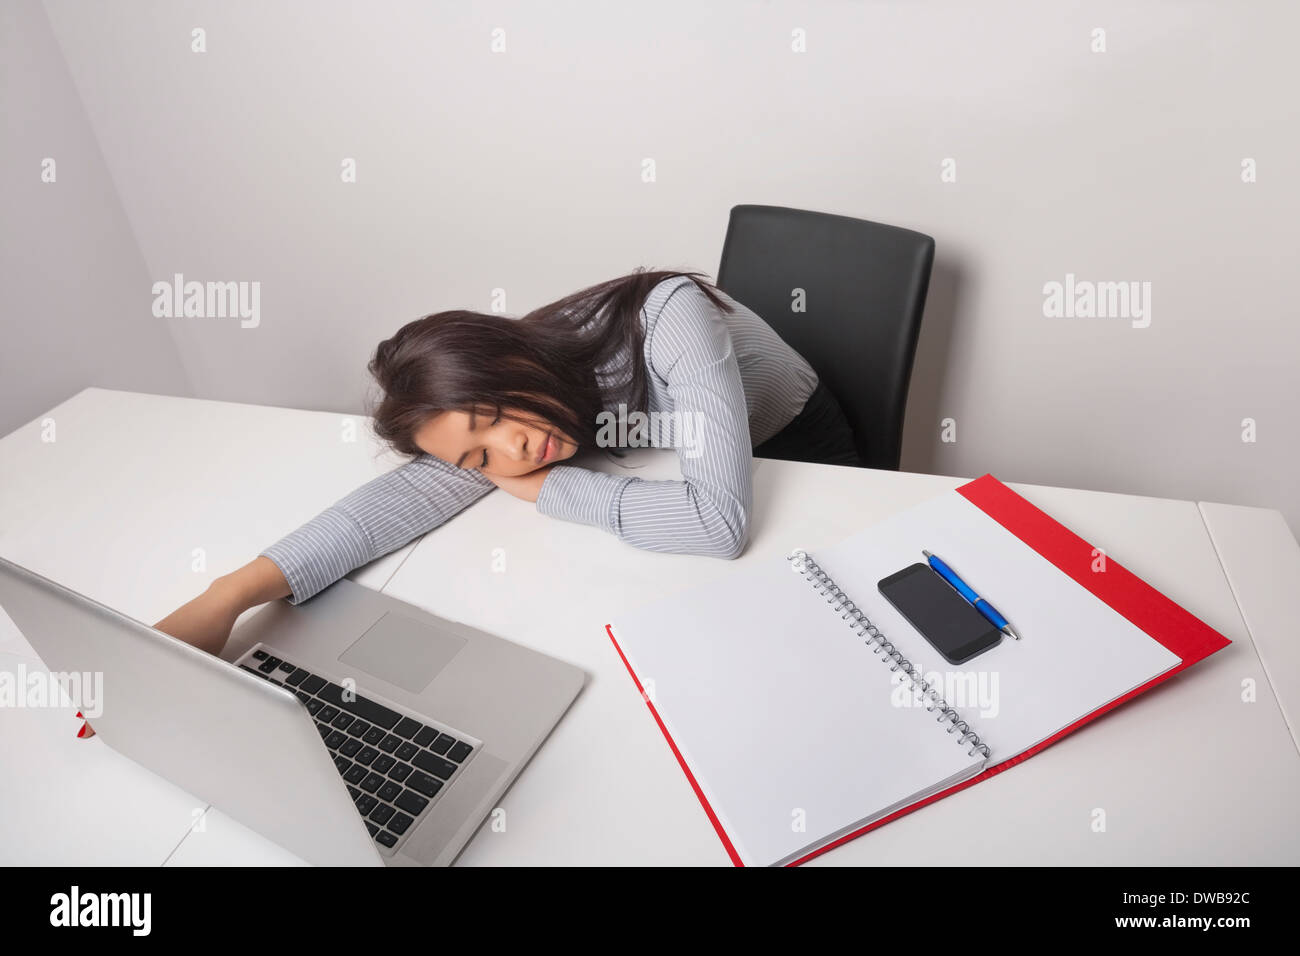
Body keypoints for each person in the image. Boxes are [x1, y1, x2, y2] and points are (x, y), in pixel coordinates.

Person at [77, 268, 862, 737]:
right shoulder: (519, 403)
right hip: (678, 466)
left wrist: (554, 490)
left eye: (494, 424)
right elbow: (403, 498)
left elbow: (718, 525)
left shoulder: (672, 317)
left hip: (805, 452)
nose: (511, 454)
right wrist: (234, 596)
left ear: (510, 355)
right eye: (478, 458)